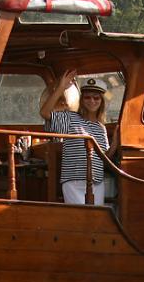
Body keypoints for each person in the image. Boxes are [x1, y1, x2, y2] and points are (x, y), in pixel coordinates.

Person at [39, 70, 113, 205]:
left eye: (96, 98)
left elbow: (105, 157)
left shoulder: (101, 128)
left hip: (97, 183)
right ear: (82, 100)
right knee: (80, 217)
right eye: (87, 97)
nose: (92, 101)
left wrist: (116, 142)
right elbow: (44, 112)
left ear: (101, 101)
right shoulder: (70, 118)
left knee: (96, 218)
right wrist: (61, 88)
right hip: (73, 183)